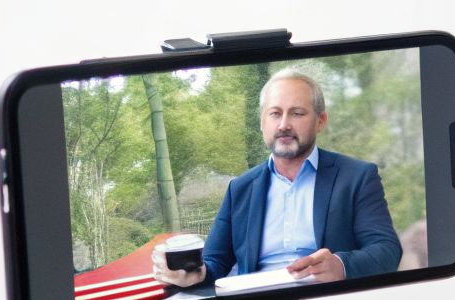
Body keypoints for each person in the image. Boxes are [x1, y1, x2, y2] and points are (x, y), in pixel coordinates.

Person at [154, 69, 401, 287]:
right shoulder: (240, 188)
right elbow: (214, 262)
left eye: (297, 113)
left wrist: (340, 264)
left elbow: (387, 250)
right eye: (275, 114)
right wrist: (193, 273)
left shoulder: (357, 177)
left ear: (320, 121)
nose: (284, 125)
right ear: (262, 122)